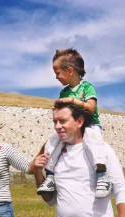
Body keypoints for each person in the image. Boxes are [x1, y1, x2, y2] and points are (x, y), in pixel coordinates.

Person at [37, 48, 112, 198]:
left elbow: (91, 108)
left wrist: (73, 101)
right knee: (52, 141)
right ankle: (50, 177)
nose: (56, 77)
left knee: (93, 140)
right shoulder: (64, 92)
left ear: (69, 70)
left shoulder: (87, 87)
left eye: (57, 73)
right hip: (72, 129)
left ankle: (102, 176)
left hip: (89, 125)